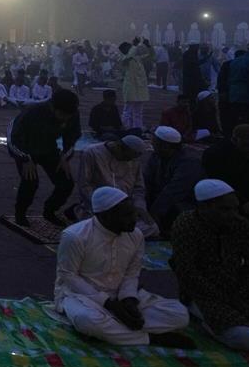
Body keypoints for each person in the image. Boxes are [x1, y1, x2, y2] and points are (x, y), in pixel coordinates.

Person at [54, 187, 193, 348]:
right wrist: (109, 305)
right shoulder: (75, 236)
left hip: (119, 295)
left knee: (180, 315)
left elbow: (131, 274)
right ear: (105, 216)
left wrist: (129, 301)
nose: (134, 218)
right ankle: (150, 339)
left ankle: (115, 331)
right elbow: (69, 276)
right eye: (127, 215)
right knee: (87, 321)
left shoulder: (136, 235)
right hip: (81, 296)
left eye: (133, 213)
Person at [170, 179, 249, 351]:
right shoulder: (186, 225)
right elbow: (187, 272)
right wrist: (225, 297)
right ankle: (201, 318)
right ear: (204, 207)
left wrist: (245, 290)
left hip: (239, 291)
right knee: (246, 339)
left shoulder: (240, 224)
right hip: (203, 295)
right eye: (225, 209)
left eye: (235, 208)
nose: (233, 213)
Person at [8, 90, 81, 227]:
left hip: (49, 148)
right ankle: (20, 213)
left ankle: (49, 211)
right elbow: (13, 138)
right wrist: (25, 158)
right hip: (26, 148)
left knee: (66, 182)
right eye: (62, 115)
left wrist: (65, 157)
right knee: (30, 182)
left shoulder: (72, 114)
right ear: (53, 107)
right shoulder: (32, 112)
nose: (65, 119)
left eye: (68, 116)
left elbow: (72, 137)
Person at [201, 124, 249, 230]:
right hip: (224, 198)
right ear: (234, 140)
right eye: (246, 146)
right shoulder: (215, 154)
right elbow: (219, 183)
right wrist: (243, 202)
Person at [77, 135, 158, 237]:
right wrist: (104, 205)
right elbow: (85, 186)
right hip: (100, 210)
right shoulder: (91, 153)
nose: (128, 161)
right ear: (119, 147)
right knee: (102, 228)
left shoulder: (133, 160)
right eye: (127, 157)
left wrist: (139, 207)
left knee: (152, 227)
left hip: (126, 210)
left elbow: (139, 189)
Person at [144, 126, 202, 233]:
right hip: (162, 198)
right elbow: (147, 181)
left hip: (185, 202)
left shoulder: (189, 161)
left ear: (165, 146)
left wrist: (153, 214)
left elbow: (175, 191)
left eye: (154, 142)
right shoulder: (157, 156)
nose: (151, 144)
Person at [118, 40, 151, 131]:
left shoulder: (137, 59)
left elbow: (151, 56)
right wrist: (134, 45)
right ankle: (126, 128)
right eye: (129, 47)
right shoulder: (124, 59)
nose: (132, 48)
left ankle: (137, 128)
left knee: (138, 112)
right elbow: (130, 55)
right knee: (127, 111)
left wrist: (148, 46)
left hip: (140, 88)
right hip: (131, 87)